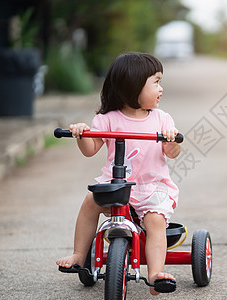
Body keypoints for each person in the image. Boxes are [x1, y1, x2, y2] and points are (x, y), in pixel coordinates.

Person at [56, 52, 181, 295]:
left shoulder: (161, 119)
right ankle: (80, 255)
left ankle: (155, 273)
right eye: (155, 82)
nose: (160, 88)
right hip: (116, 185)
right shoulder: (107, 119)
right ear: (132, 86)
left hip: (151, 187)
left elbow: (172, 151)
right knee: (90, 202)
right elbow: (90, 150)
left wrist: (171, 140)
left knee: (155, 221)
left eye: (160, 81)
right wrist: (82, 135)